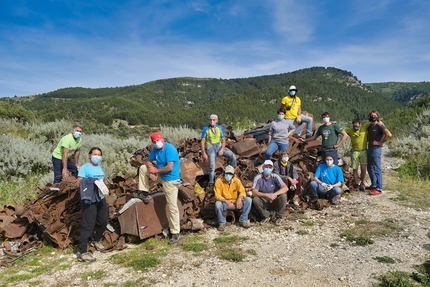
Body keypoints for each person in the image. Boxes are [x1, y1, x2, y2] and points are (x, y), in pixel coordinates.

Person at [134, 132, 182, 244]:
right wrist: (151, 169)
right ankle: (144, 193)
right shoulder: (156, 149)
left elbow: (170, 167)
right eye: (154, 142)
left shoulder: (170, 149)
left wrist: (156, 171)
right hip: (161, 175)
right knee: (143, 168)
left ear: (162, 139)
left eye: (158, 140)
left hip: (170, 178)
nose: (157, 143)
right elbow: (148, 161)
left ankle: (175, 232)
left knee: (172, 206)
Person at [76, 147, 108, 262]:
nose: (97, 156)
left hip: (100, 197)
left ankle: (96, 240)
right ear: (89, 155)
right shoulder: (85, 167)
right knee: (88, 224)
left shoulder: (99, 167)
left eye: (99, 154)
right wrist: (91, 181)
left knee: (103, 220)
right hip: (90, 198)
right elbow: (79, 183)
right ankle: (83, 252)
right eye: (95, 154)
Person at [201, 114, 237, 189]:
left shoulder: (220, 128)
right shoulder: (206, 129)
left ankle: (230, 172)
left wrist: (222, 149)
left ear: (217, 121)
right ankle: (211, 184)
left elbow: (224, 140)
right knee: (212, 167)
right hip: (210, 147)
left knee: (233, 156)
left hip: (219, 145)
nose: (212, 121)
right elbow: (202, 141)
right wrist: (204, 153)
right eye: (211, 120)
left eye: (214, 120)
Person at [214, 165, 252, 231]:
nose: (228, 175)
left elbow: (242, 191)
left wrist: (239, 199)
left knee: (248, 200)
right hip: (225, 203)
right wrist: (226, 201)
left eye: (230, 174)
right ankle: (222, 223)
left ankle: (243, 220)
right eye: (227, 173)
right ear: (224, 173)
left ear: (233, 175)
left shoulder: (237, 181)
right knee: (217, 204)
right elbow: (217, 195)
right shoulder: (219, 181)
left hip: (236, 203)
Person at [251, 160, 288, 226]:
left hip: (274, 200)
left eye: (269, 167)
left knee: (283, 196)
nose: (268, 169)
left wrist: (274, 194)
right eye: (266, 167)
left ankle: (279, 217)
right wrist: (267, 195)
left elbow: (285, 188)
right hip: (263, 201)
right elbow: (254, 192)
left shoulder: (275, 176)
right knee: (255, 199)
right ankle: (266, 215)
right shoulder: (258, 177)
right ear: (263, 167)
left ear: (272, 168)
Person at [366, 110, 392, 196]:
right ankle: (374, 184)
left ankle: (379, 188)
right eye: (372, 115)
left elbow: (388, 134)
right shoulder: (370, 126)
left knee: (376, 168)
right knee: (370, 167)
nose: (373, 117)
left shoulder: (380, 126)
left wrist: (379, 143)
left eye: (375, 115)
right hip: (370, 148)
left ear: (377, 116)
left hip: (376, 149)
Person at [344, 119, 373, 191]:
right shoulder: (349, 130)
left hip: (363, 151)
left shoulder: (364, 127)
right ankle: (357, 184)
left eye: (357, 125)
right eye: (354, 125)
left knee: (363, 168)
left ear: (360, 124)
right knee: (355, 168)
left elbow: (373, 122)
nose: (355, 126)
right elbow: (341, 131)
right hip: (355, 151)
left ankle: (362, 183)